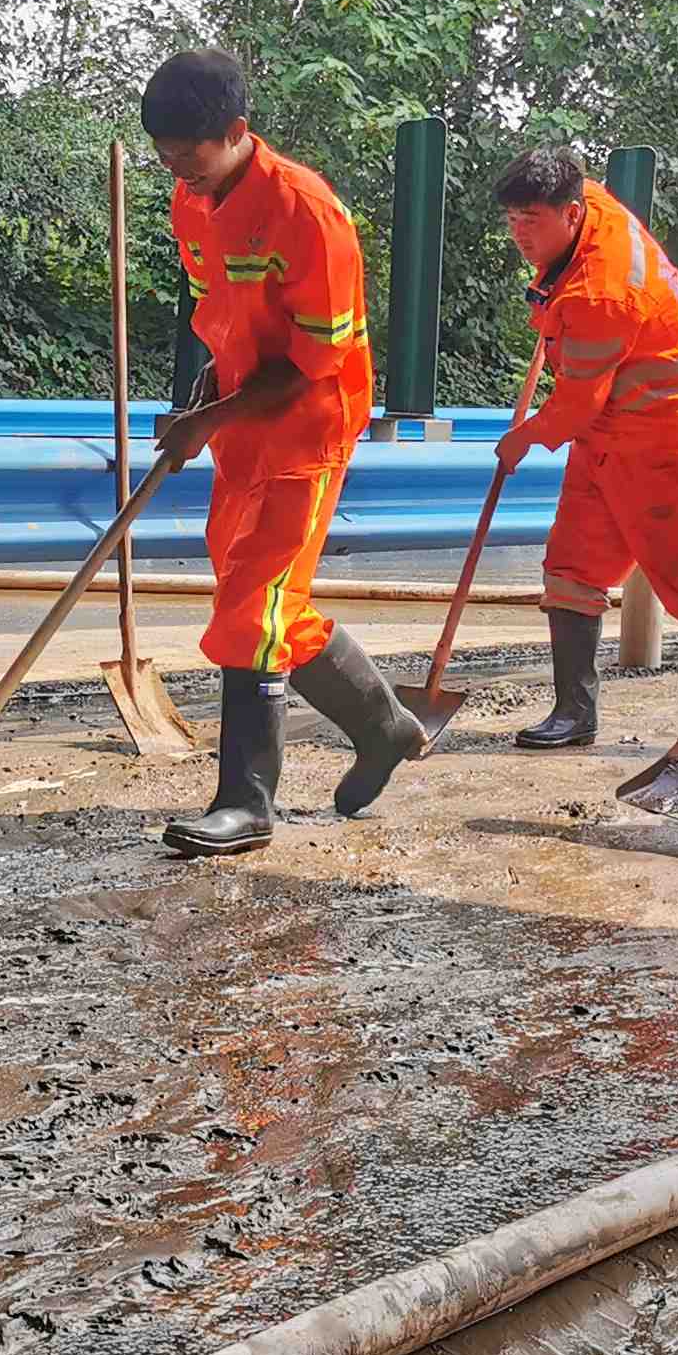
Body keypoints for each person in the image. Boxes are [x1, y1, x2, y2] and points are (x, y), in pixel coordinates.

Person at [143, 49, 425, 857]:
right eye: (166, 157)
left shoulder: (306, 213)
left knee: (252, 608)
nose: (179, 173)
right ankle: (383, 725)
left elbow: (310, 363)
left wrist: (209, 420)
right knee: (261, 597)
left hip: (306, 424)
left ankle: (246, 803)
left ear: (237, 131)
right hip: (244, 419)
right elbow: (222, 315)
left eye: (190, 155)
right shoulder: (191, 199)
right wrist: (205, 399)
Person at [491, 147, 678, 751]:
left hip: (672, 438)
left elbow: (575, 407)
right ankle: (574, 713)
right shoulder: (590, 204)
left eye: (533, 221)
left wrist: (522, 438)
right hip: (609, 432)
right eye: (513, 220)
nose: (521, 235)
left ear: (571, 213)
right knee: (572, 566)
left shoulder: (602, 292)